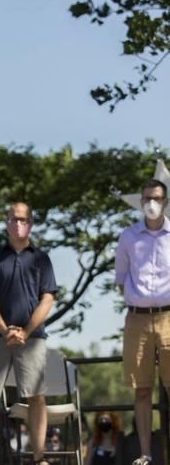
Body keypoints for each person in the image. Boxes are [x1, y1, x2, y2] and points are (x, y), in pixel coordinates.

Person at [0, 202, 58, 465]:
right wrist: (5, 330)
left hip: (32, 339)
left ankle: (39, 455)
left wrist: (25, 331)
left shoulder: (41, 258)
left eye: (22, 219)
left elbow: (47, 299)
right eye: (13, 219)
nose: (18, 224)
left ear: (30, 223)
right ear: (6, 223)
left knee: (36, 396)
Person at [115, 178, 170, 465]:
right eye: (147, 198)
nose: (151, 203)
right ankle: (146, 453)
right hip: (137, 320)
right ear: (141, 202)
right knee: (143, 388)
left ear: (166, 201)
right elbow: (122, 281)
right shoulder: (127, 237)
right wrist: (144, 301)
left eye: (157, 198)